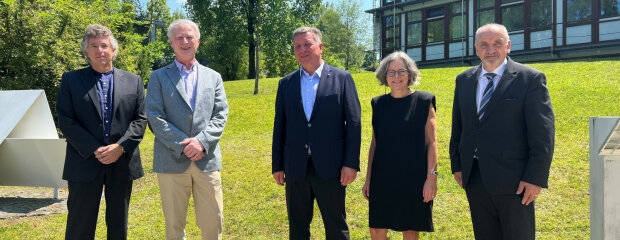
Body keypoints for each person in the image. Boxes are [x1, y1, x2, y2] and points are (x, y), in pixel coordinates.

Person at [450, 23, 555, 240]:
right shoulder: (464, 80)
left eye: (497, 44)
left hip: (516, 182)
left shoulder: (530, 79)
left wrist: (535, 178)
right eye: (484, 45)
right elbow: (459, 126)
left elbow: (543, 134)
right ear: (476, 48)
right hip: (475, 178)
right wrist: (458, 165)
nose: (490, 50)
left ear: (507, 46)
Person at [57, 24, 147, 239]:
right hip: (84, 161)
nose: (100, 50)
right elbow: (66, 120)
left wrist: (120, 147)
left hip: (122, 162)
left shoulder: (133, 81)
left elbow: (140, 119)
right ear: (86, 51)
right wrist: (94, 149)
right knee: (80, 224)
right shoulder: (71, 80)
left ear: (113, 50)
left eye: (104, 45)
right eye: (94, 46)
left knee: (118, 224)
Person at [271, 26, 362, 240]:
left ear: (320, 47)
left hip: (332, 167)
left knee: (336, 226)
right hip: (295, 167)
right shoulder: (286, 84)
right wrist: (278, 165)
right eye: (297, 46)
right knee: (298, 227)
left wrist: (351, 163)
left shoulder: (342, 78)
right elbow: (280, 126)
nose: (302, 50)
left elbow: (355, 123)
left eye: (307, 44)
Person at [145, 19, 229, 240]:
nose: (185, 41)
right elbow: (154, 116)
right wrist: (184, 144)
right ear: (171, 42)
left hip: (207, 159)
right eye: (179, 38)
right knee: (174, 225)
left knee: (214, 221)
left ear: (198, 41)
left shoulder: (214, 77)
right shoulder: (158, 77)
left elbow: (220, 114)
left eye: (189, 37)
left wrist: (201, 142)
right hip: (171, 160)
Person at [361, 51, 437, 240]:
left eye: (401, 71)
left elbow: (432, 142)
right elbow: (375, 143)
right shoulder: (378, 104)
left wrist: (431, 178)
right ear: (384, 76)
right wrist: (368, 179)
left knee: (410, 230)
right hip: (382, 177)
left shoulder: (424, 101)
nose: (396, 76)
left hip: (413, 176)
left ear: (410, 74)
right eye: (391, 72)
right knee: (377, 230)